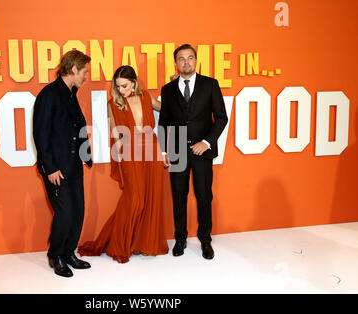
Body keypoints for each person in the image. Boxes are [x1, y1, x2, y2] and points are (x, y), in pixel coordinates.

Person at [78, 65, 169, 263]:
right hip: (130, 152)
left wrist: (172, 86)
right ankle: (119, 243)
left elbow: (167, 108)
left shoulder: (146, 97)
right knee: (135, 198)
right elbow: (114, 133)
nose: (121, 90)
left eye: (125, 86)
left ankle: (145, 244)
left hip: (151, 150)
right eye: (118, 86)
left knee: (151, 198)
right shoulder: (113, 104)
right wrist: (122, 156)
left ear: (134, 82)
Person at [158, 44, 228, 259]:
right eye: (181, 59)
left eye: (190, 58)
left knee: (204, 196)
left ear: (195, 60)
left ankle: (205, 240)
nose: (186, 62)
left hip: (202, 151)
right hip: (177, 150)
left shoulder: (210, 84)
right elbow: (163, 122)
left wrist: (206, 142)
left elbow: (222, 117)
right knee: (179, 196)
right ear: (176, 63)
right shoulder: (167, 90)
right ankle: (180, 239)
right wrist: (164, 151)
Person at [33, 50, 93, 277]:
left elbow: (76, 128)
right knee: (65, 213)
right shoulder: (49, 95)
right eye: (84, 71)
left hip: (74, 164)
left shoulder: (71, 93)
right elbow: (41, 134)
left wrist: (85, 155)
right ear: (74, 69)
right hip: (57, 169)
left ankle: (68, 252)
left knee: (78, 211)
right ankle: (55, 255)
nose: (86, 76)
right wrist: (50, 168)